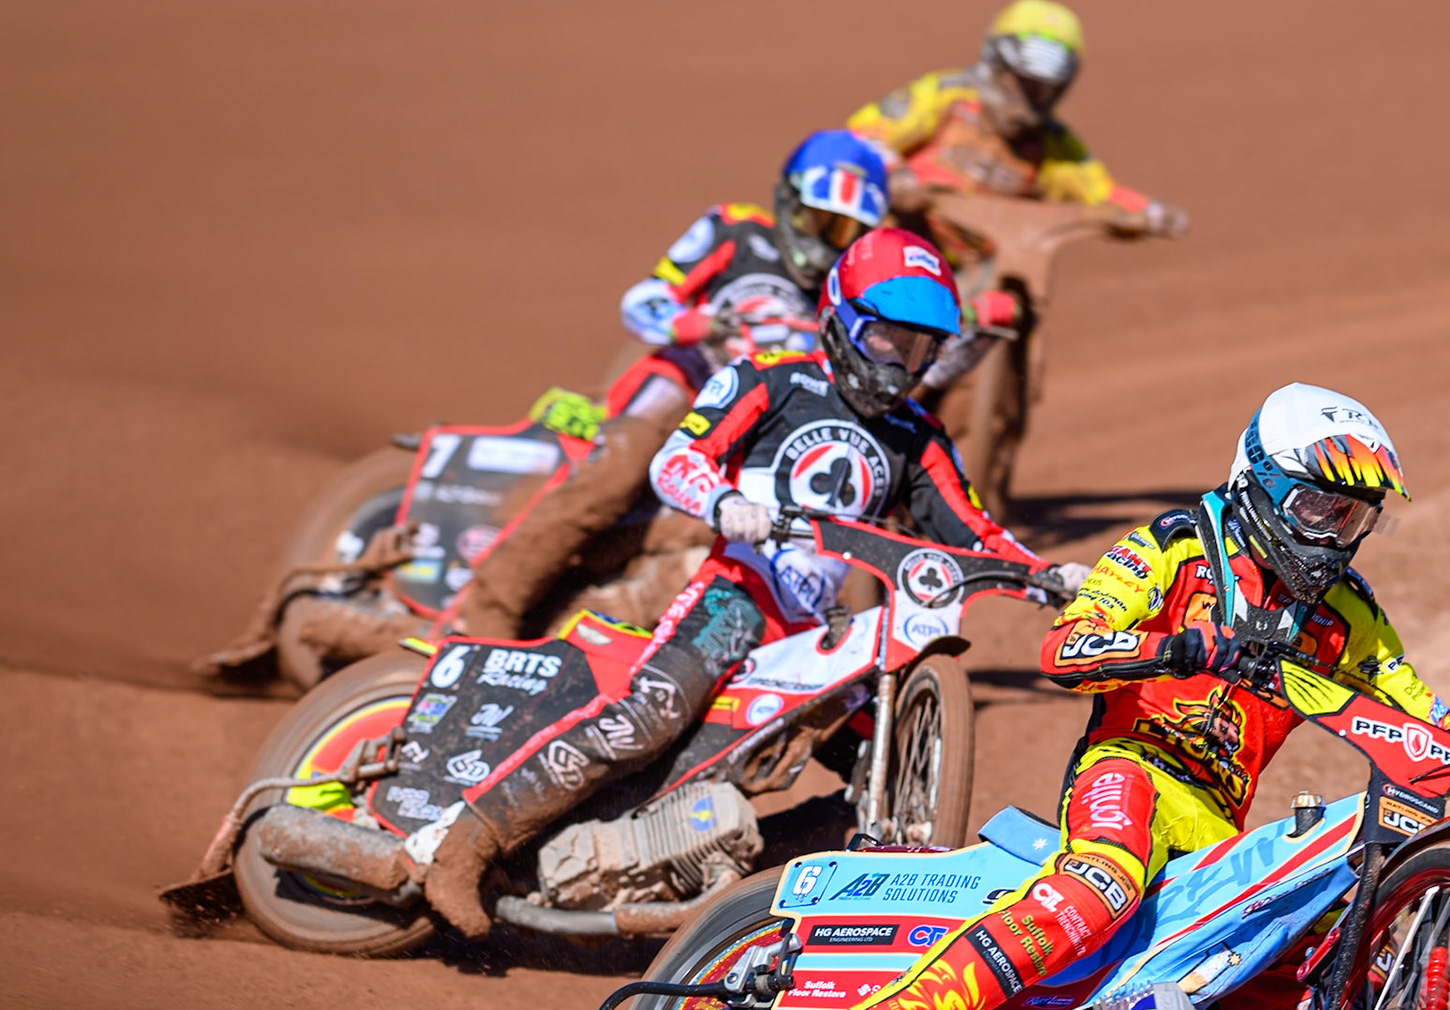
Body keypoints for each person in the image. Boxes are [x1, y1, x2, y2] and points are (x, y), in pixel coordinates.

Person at [812, 382, 1450, 1010]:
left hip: (1217, 820)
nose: (1332, 536)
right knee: (1101, 884)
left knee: (1305, 964)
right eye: (1318, 508)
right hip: (1129, 768)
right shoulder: (1174, 545)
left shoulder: (1349, 613)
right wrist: (1176, 648)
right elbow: (1065, 648)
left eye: (1355, 516)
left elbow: (1423, 720)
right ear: (1259, 483)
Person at [419, 228, 1090, 937]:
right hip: (734, 594)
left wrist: (1049, 576)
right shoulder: (773, 379)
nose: (903, 365)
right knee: (648, 717)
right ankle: (464, 845)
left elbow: (974, 534)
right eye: (889, 339)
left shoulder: (917, 437)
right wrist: (722, 502)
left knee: (880, 766)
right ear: (841, 319)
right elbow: (678, 459)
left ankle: (752, 904)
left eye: (922, 349)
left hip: (815, 634)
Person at [457, 130, 891, 640]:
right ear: (789, 202)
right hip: (685, 383)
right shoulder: (735, 231)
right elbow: (643, 302)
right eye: (820, 222)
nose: (824, 245)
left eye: (845, 233)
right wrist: (694, 324)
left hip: (750, 429)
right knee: (622, 465)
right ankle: (486, 607)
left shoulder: (845, 295)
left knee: (740, 536)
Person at [846, 1, 1186, 237]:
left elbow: (1100, 194)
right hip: (896, 244)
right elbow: (863, 134)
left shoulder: (1051, 143)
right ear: (995, 64)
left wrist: (1152, 213)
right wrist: (895, 174)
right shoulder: (948, 97)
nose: (1027, 102)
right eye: (1022, 85)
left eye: (1043, 92)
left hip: (983, 279)